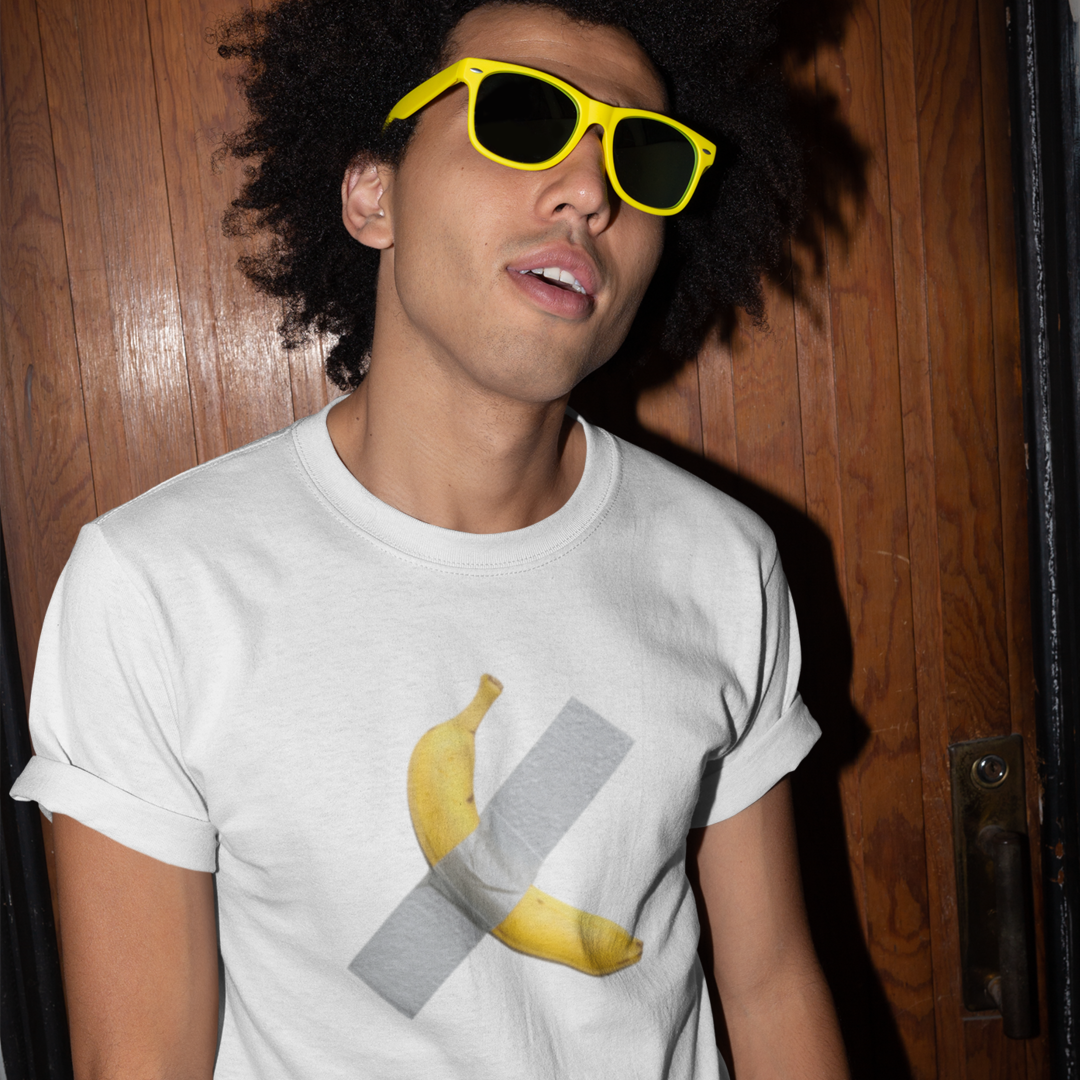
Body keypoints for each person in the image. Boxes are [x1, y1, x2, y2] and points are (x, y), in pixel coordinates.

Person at [11, 0, 850, 1076]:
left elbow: (772, 987)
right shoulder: (160, 588)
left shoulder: (720, 562)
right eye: (522, 119)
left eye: (641, 157)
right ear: (374, 195)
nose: (590, 193)